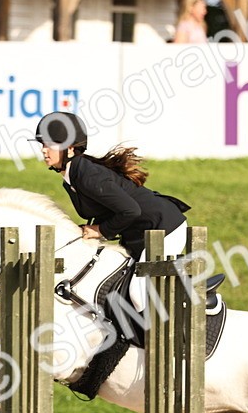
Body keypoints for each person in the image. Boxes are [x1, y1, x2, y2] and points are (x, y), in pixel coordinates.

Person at [33, 112, 190, 313]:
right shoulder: (74, 175)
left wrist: (100, 231)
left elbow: (131, 210)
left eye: (50, 145)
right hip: (143, 235)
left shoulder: (88, 175)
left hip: (164, 228)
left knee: (138, 295)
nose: (44, 151)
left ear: (70, 148)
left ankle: (185, 310)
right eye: (43, 145)